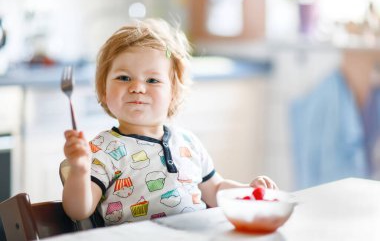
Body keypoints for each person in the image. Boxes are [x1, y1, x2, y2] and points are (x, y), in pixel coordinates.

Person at [62, 18, 277, 226]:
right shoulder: (102, 149)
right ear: (103, 89)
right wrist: (80, 168)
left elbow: (216, 189)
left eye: (152, 80)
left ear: (173, 93)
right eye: (124, 78)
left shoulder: (187, 142)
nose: (137, 87)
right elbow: (78, 210)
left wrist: (247, 191)